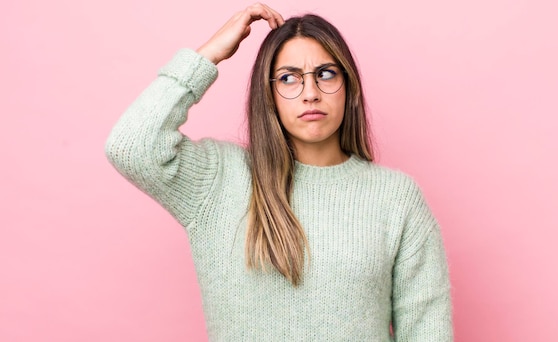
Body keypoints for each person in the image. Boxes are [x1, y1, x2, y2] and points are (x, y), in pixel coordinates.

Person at [105, 3, 452, 341]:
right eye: (289, 78)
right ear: (268, 93)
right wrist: (208, 55)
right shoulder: (220, 180)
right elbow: (131, 146)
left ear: (349, 86)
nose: (310, 93)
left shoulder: (395, 198)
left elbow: (427, 330)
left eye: (326, 74)